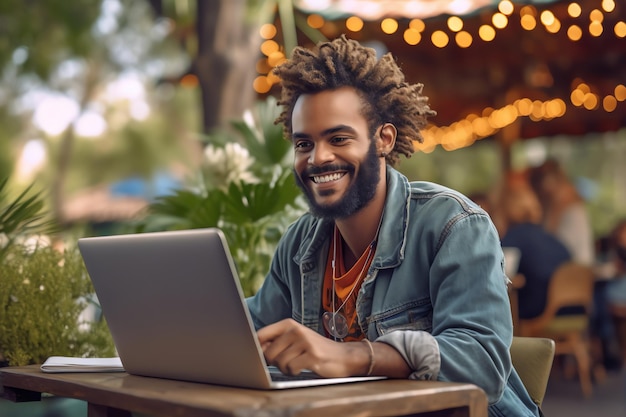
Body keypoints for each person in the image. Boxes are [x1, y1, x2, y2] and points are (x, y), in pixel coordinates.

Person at [245, 35, 539, 416]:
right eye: (304, 144)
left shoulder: (453, 225)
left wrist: (352, 357)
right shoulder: (301, 242)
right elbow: (249, 330)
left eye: (338, 138)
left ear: (383, 139)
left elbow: (482, 363)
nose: (317, 158)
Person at [498, 172, 572, 319]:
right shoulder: (553, 239)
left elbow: (500, 274)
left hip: (538, 311)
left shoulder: (514, 238)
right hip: (571, 309)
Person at [528, 158, 594, 266]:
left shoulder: (563, 200)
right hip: (579, 265)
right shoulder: (568, 199)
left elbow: (549, 237)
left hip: (571, 267)